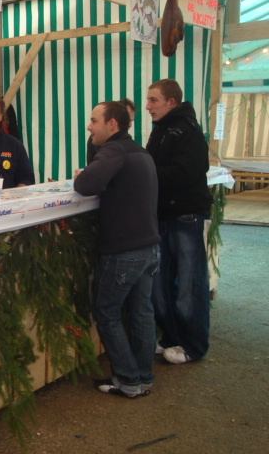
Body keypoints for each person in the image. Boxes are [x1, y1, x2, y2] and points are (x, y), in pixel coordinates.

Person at [74, 101, 160, 398]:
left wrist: (81, 174)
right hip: (149, 247)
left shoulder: (114, 150)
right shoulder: (139, 151)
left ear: (112, 124)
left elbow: (85, 185)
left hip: (125, 250)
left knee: (107, 312)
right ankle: (144, 378)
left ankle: (127, 379)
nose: (89, 127)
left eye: (94, 120)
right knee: (141, 313)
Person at [145, 79, 213, 365]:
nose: (148, 106)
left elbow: (185, 173)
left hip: (187, 216)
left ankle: (194, 345)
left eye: (153, 100)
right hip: (163, 215)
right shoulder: (160, 129)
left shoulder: (188, 131)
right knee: (160, 282)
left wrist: (146, 172)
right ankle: (171, 336)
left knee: (189, 283)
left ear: (171, 102)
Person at [86, 98, 136, 165]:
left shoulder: (124, 144)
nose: (130, 124)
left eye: (131, 120)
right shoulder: (96, 139)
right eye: (127, 119)